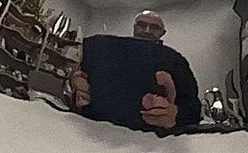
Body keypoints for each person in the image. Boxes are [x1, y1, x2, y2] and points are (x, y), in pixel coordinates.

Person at [71, 11, 202, 132]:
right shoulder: (101, 48)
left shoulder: (175, 60)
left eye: (154, 27)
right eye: (142, 25)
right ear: (134, 27)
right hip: (91, 128)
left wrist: (176, 115)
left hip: (151, 138)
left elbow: (193, 107)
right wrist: (75, 85)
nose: (147, 30)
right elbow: (75, 74)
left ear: (163, 32)